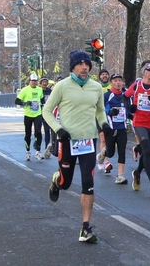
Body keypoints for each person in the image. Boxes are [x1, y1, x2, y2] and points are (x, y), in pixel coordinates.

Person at [42, 50, 112, 242]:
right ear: (72, 67)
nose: (84, 67)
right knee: (66, 183)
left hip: (88, 141)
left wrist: (104, 124)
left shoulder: (96, 87)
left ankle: (85, 228)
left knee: (88, 184)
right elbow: (46, 111)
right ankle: (57, 181)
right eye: (80, 64)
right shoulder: (62, 86)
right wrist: (58, 129)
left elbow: (99, 111)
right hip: (67, 141)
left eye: (87, 64)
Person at [124, 60, 150, 195]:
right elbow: (125, 97)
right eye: (148, 69)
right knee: (146, 151)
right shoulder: (136, 86)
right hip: (139, 122)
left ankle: (137, 172)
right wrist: (129, 108)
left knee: (146, 152)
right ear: (143, 71)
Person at [100, 73, 129, 184]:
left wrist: (130, 113)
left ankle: (120, 176)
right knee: (110, 153)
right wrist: (110, 112)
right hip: (110, 128)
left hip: (122, 128)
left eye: (119, 81)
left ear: (122, 83)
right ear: (111, 83)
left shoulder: (126, 95)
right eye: (115, 81)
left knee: (122, 151)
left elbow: (128, 109)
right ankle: (102, 155)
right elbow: (100, 110)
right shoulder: (107, 95)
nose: (118, 83)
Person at [15, 74, 45, 161]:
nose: (34, 82)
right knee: (28, 134)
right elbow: (17, 101)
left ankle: (38, 152)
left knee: (38, 132)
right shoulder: (25, 90)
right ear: (30, 81)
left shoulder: (40, 89)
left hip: (37, 114)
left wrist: (41, 104)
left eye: (35, 81)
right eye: (32, 81)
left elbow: (42, 100)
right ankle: (28, 152)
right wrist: (25, 103)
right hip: (28, 115)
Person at [96, 69, 113, 173]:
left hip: (110, 116)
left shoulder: (111, 87)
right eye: (102, 74)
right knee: (102, 138)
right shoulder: (96, 87)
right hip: (98, 115)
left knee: (109, 140)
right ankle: (106, 161)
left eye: (106, 74)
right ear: (99, 76)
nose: (104, 76)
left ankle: (101, 157)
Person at [39, 76, 53, 159]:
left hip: (47, 113)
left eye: (46, 82)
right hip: (38, 112)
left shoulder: (49, 91)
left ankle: (46, 148)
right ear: (40, 83)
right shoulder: (38, 90)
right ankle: (36, 144)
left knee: (47, 130)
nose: (44, 83)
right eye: (43, 82)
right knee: (38, 131)